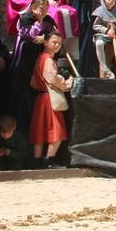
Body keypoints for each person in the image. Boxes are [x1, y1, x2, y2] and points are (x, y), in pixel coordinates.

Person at [9, 0, 56, 133]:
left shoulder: (48, 20)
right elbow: (30, 36)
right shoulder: (25, 19)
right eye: (41, 8)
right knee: (24, 98)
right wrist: (44, 32)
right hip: (25, 65)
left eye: (46, 9)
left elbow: (56, 34)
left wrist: (46, 37)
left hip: (40, 65)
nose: (43, 11)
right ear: (33, 8)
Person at [29, 30, 72, 168]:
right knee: (57, 131)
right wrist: (66, 84)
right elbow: (52, 79)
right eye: (54, 42)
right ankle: (49, 161)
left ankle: (36, 162)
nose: (57, 45)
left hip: (41, 99)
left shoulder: (40, 58)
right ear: (46, 42)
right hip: (50, 99)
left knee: (39, 132)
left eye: (59, 43)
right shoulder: (47, 59)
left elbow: (33, 83)